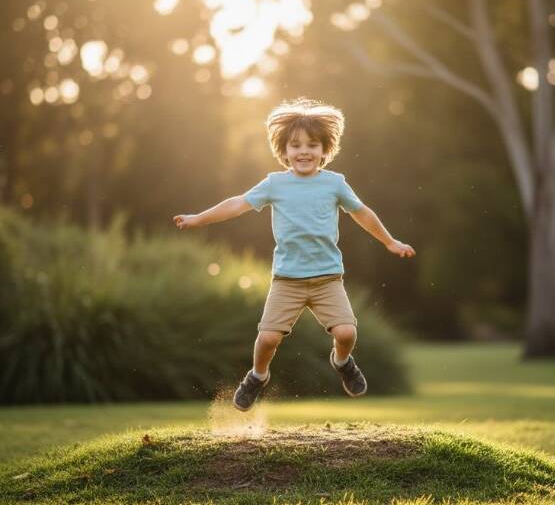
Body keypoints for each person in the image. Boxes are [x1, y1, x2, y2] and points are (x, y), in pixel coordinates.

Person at [173, 97, 415, 411]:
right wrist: (198, 218)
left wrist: (390, 242)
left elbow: (362, 213)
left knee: (346, 331)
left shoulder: (334, 184)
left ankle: (342, 361)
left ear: (325, 150)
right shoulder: (275, 184)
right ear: (283, 151)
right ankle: (258, 376)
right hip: (287, 280)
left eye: (312, 145)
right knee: (269, 339)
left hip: (327, 279)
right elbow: (236, 204)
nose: (303, 151)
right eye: (295, 145)